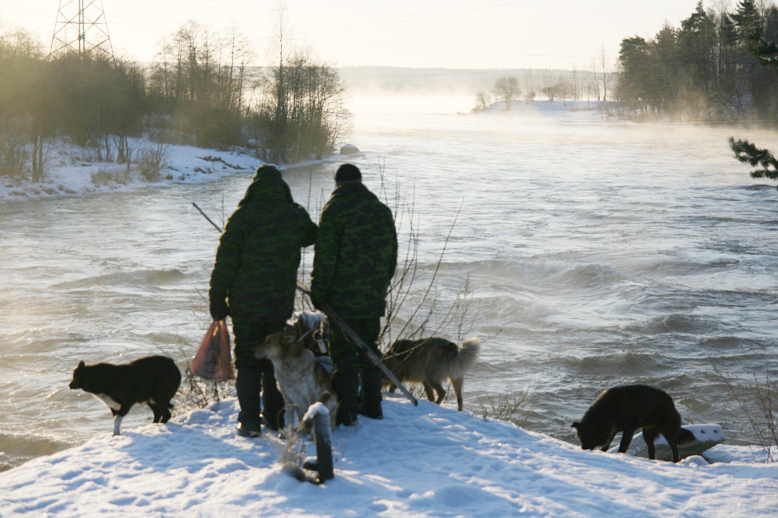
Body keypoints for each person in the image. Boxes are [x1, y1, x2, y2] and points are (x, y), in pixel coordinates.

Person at [209, 165, 317, 437]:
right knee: (273, 359)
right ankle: (275, 418)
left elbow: (225, 263)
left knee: (247, 359)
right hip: (279, 303)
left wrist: (217, 298)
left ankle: (249, 422)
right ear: (282, 188)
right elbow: (313, 236)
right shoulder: (294, 216)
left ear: (254, 187)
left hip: (245, 305)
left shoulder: (242, 217)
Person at [311, 163, 398, 426]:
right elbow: (391, 257)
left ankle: (347, 412)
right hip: (373, 298)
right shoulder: (382, 211)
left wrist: (318, 293)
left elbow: (325, 258)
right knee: (370, 349)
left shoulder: (334, 211)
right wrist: (379, 286)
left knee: (344, 355)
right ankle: (373, 406)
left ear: (337, 184)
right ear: (361, 182)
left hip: (341, 299)